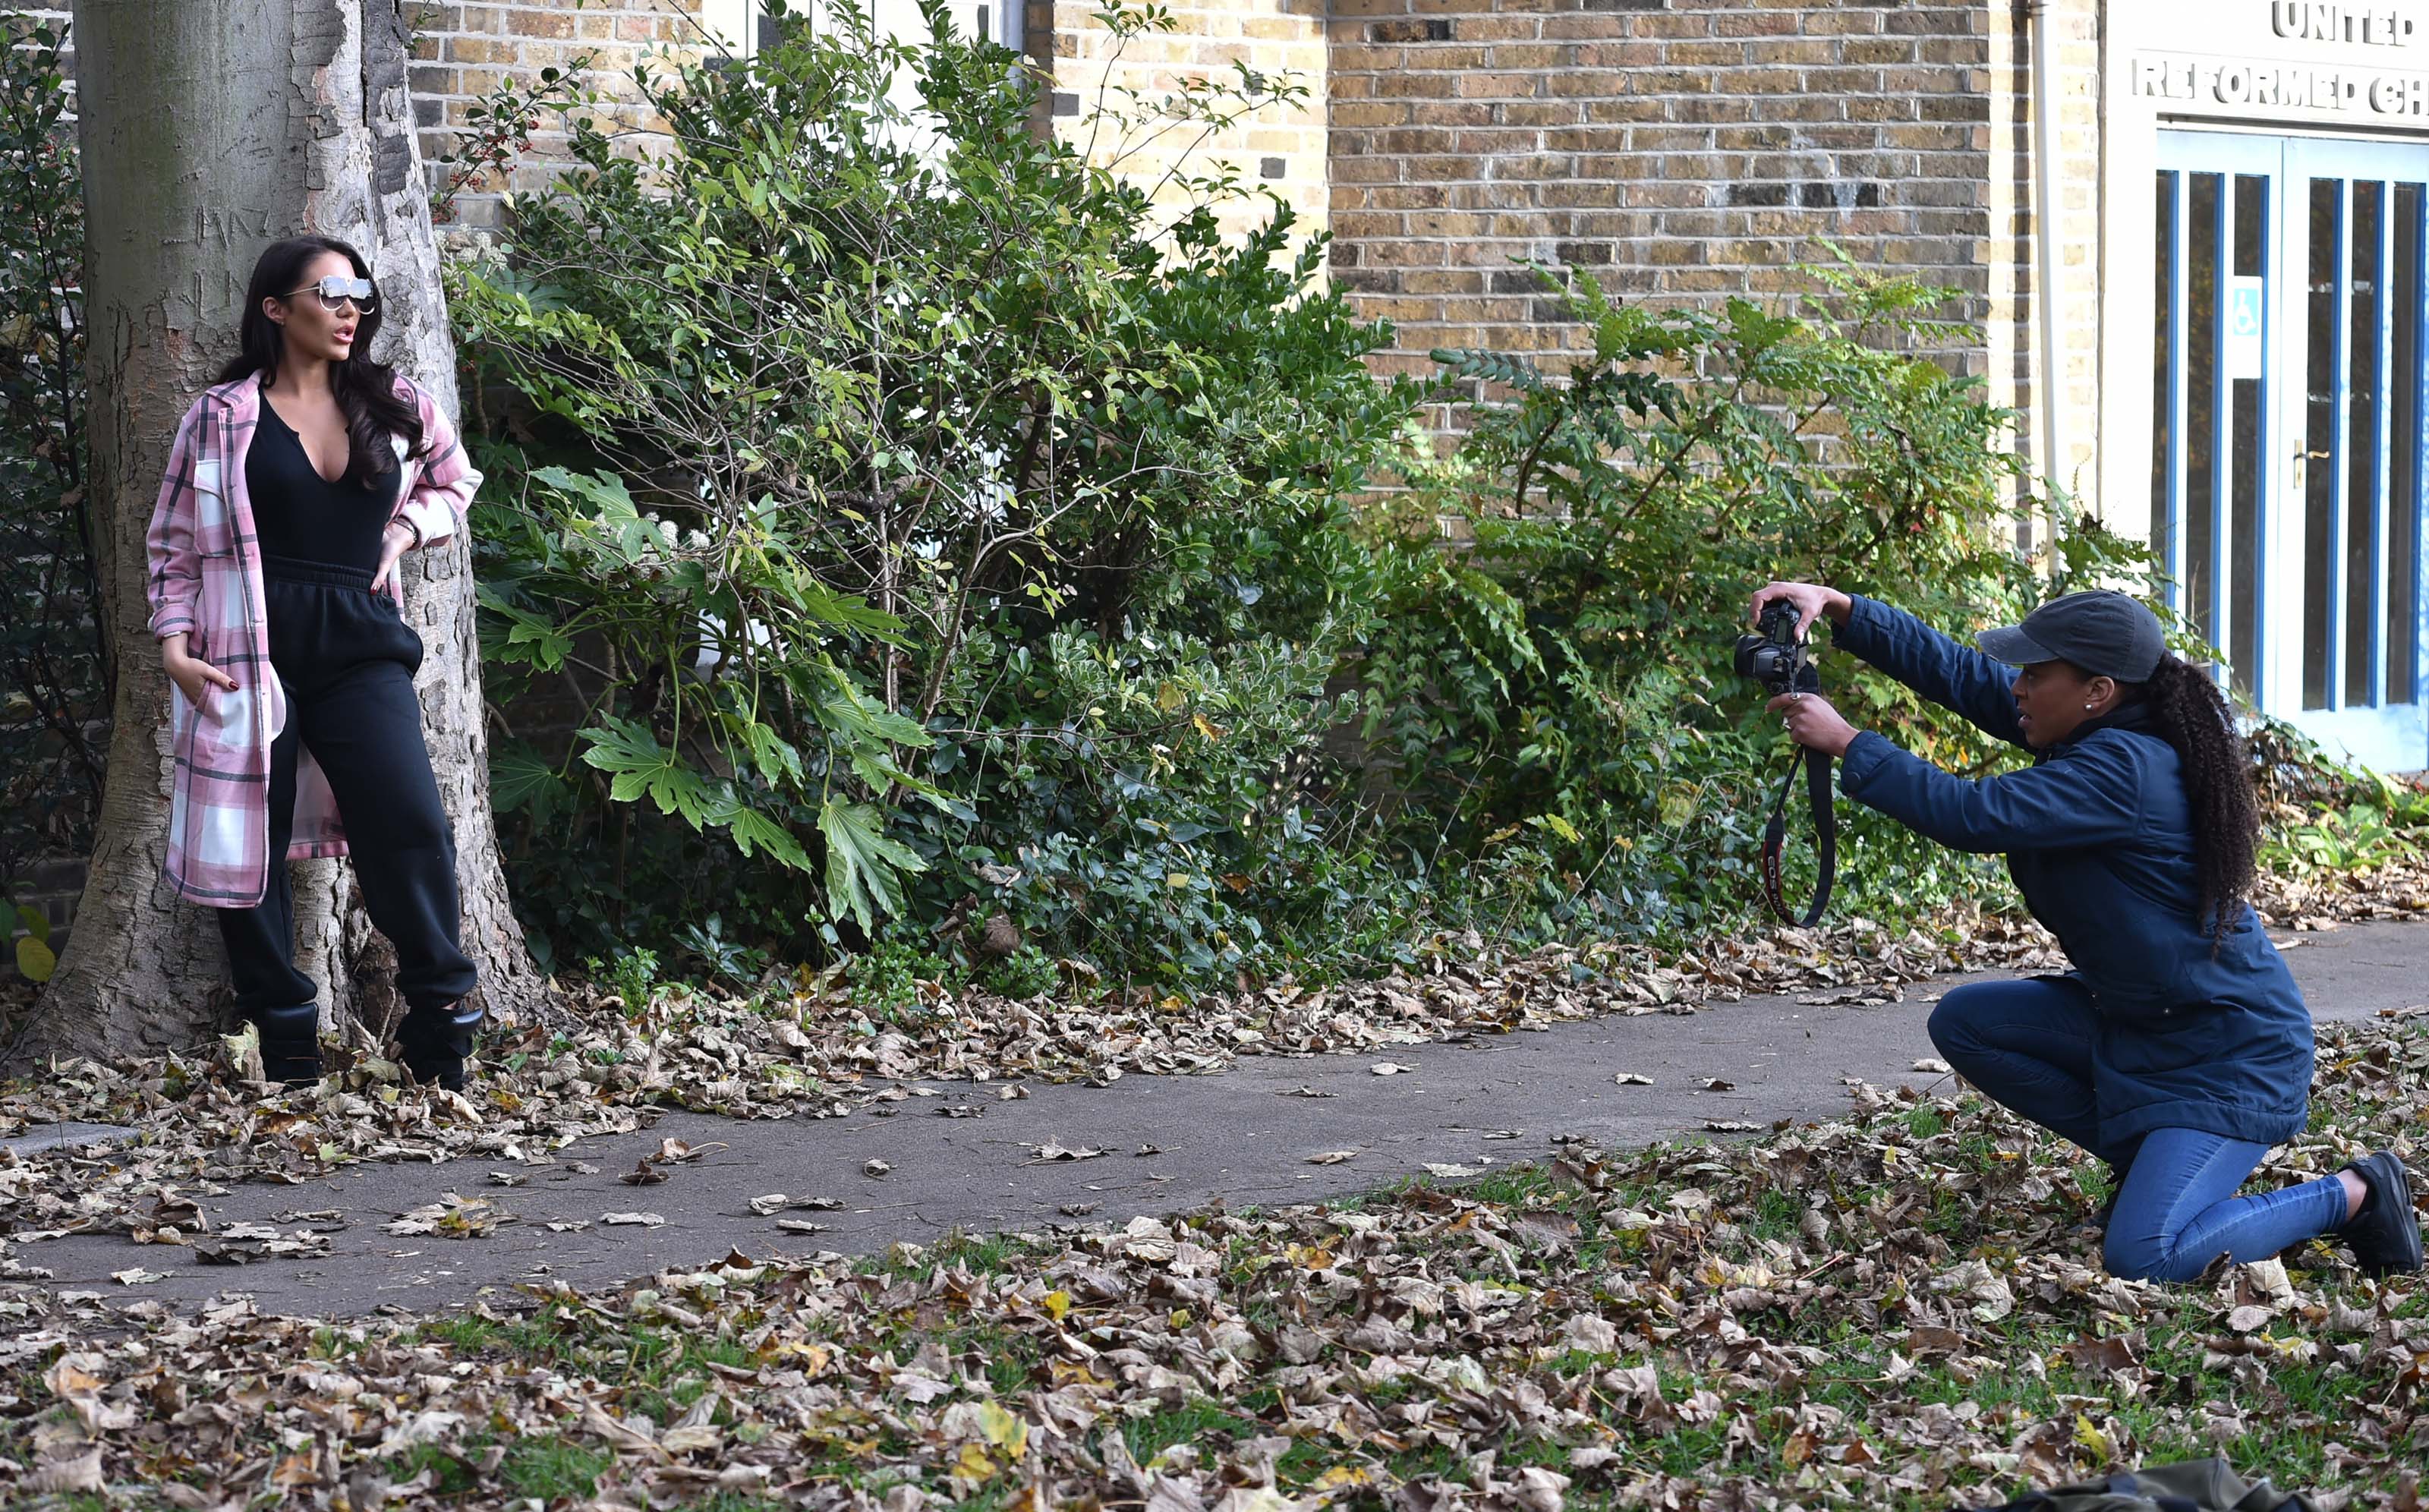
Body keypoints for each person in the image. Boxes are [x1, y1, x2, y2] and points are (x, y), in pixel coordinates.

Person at [1749, 580, 2423, 1282]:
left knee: (2147, 1256)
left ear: (2096, 690)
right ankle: (2151, 1160)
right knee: (1969, 1022)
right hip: (2144, 1025)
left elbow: (1971, 815)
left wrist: (1850, 743)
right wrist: (1845, 609)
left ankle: (2357, 1193)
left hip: (2229, 1057)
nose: (2018, 687)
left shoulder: (2123, 769)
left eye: (2035, 675)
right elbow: (1964, 675)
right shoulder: (2098, 722)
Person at [146, 235, 486, 1091]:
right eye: (329, 290)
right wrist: (173, 642)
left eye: (358, 292)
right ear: (275, 307)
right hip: (243, 651)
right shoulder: (220, 417)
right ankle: (286, 1030)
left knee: (408, 823)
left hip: (361, 645)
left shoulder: (396, 401)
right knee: (244, 845)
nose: (350, 308)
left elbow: (456, 482)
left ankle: (443, 1017)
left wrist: (408, 527)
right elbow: (175, 543)